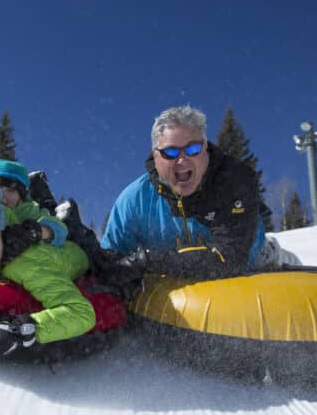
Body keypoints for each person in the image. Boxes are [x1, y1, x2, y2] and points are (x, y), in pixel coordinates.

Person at [101, 104, 296, 282]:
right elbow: (110, 260)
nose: (182, 160)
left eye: (192, 149)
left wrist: (149, 260)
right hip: (174, 283)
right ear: (155, 156)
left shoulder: (234, 183)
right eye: (170, 153)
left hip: (253, 264)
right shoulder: (134, 201)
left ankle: (282, 256)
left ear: (206, 150)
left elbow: (228, 260)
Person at [0, 185, 95, 356]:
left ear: (2, 234)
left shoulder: (25, 265)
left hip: (76, 254)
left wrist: (21, 330)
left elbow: (81, 313)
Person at [0, 159, 68, 246]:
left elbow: (60, 231)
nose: (2, 198)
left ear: (21, 196)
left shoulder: (31, 212)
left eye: (11, 191)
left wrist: (37, 232)